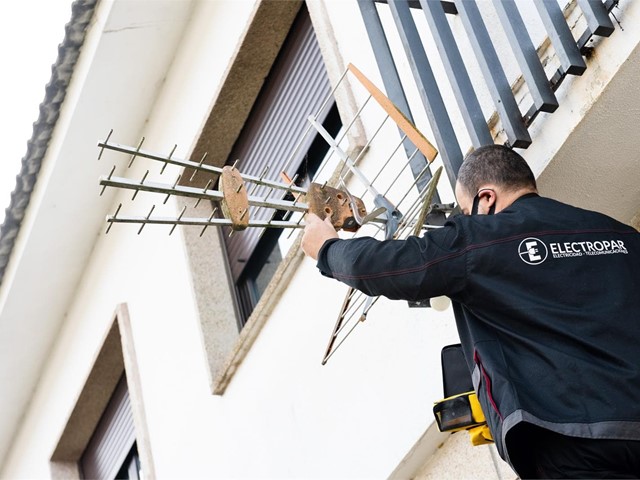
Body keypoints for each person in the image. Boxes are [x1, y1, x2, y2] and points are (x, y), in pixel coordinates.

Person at [301, 144, 640, 479]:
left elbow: (388, 266)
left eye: (465, 209)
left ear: (486, 198)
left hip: (571, 441)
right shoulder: (623, 236)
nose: (466, 218)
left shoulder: (479, 239)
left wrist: (327, 249)